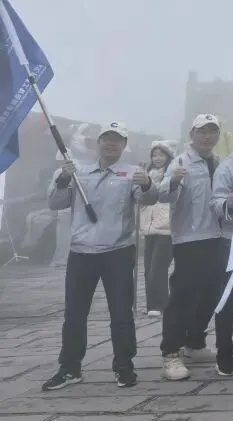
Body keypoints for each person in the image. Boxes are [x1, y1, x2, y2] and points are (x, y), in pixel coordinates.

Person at [42, 122, 157, 391]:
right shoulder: (77, 171)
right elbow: (55, 203)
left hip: (118, 252)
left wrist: (148, 184)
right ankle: (69, 368)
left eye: (118, 139)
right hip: (81, 252)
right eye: (107, 138)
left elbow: (149, 199)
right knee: (74, 313)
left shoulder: (132, 173)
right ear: (98, 142)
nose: (111, 143)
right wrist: (62, 180)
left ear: (124, 145)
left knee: (121, 312)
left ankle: (124, 367)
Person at [158, 114, 227, 381]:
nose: (207, 137)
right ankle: (170, 352)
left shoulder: (219, 163)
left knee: (212, 293)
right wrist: (173, 181)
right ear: (192, 135)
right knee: (183, 296)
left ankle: (195, 343)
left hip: (216, 236)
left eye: (212, 132)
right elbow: (164, 195)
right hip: (189, 239)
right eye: (202, 132)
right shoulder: (180, 162)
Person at [140, 142, 174, 318]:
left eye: (161, 155)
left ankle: (161, 305)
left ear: (168, 157)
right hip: (148, 227)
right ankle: (152, 305)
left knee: (157, 269)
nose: (157, 158)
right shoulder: (146, 175)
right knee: (148, 269)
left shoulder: (171, 175)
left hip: (166, 228)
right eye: (154, 155)